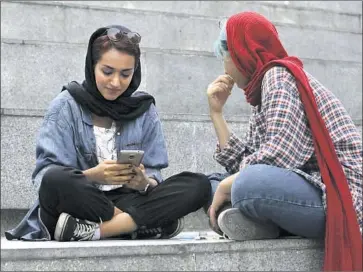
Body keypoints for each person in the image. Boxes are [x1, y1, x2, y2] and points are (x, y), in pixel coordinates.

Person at [5, 25, 211, 242]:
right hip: (79, 204)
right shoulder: (65, 106)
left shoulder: (144, 108)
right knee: (55, 178)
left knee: (198, 184)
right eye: (107, 71)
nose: (116, 82)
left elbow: (154, 174)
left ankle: (97, 231)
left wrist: (143, 183)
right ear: (92, 66)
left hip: (125, 199)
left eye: (125, 74)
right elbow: (44, 179)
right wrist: (93, 176)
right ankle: (142, 224)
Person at [205, 12, 362, 271]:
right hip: (308, 188)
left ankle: (258, 221)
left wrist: (228, 186)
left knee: (245, 185)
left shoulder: (278, 76)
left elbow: (279, 156)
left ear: (241, 53)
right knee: (210, 183)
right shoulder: (262, 89)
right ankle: (262, 224)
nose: (224, 66)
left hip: (340, 197)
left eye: (225, 54)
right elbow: (249, 160)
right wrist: (216, 113)